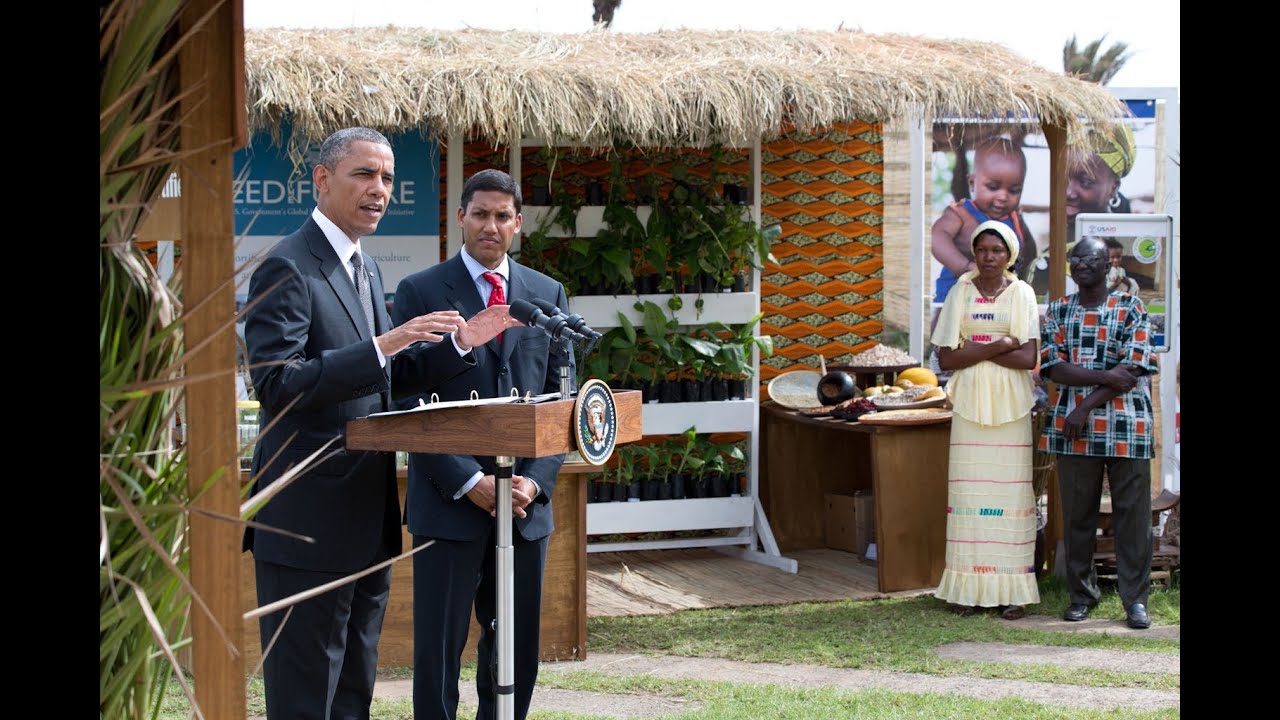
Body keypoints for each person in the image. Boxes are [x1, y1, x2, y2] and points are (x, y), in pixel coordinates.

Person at [242, 127, 519, 719]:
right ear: (322, 181)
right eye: (364, 174)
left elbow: (385, 383)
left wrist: (458, 346)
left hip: (368, 524)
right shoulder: (287, 267)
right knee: (304, 700)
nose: (380, 190)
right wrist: (380, 347)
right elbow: (275, 384)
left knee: (352, 697)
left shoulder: (364, 269)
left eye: (388, 178)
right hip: (307, 527)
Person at [392, 168, 574, 720]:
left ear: (518, 223)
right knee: (438, 654)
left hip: (523, 508)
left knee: (515, 652)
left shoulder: (548, 294)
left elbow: (558, 406)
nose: (490, 225)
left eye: (502, 216)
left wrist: (534, 482)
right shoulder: (419, 291)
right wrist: (470, 480)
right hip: (449, 505)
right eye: (480, 214)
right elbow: (405, 396)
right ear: (461, 218)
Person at [1039, 237, 1159, 630]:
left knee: (1134, 518)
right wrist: (1108, 375)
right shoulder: (1057, 310)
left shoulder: (1131, 308)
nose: (1081, 264)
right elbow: (1055, 367)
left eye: (1090, 259)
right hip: (1075, 431)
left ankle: (1135, 601)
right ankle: (1081, 596)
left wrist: (1086, 404)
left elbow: (1135, 368)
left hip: (1127, 427)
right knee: (1077, 516)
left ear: (1108, 264)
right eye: (1076, 259)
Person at [931, 220, 1041, 620]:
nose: (989, 257)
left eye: (997, 250)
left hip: (1011, 405)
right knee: (969, 499)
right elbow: (945, 358)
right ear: (974, 254)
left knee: (1009, 497)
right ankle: (967, 588)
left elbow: (1028, 358)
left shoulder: (1023, 293)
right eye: (982, 250)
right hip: (970, 404)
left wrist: (973, 348)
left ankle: (1012, 590)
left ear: (1009, 254)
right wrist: (998, 344)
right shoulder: (961, 290)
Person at [931, 136, 1037, 304]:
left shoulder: (1015, 219)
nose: (1003, 196)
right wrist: (966, 267)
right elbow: (936, 238)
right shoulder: (962, 214)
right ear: (972, 183)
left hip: (999, 304)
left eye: (1014, 190)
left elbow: (1030, 253)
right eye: (993, 187)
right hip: (955, 301)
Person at [1065, 124, 1136, 245]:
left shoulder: (1125, 251)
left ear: (1114, 188)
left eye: (1085, 182)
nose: (1068, 192)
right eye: (1063, 178)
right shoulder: (1050, 252)